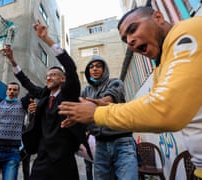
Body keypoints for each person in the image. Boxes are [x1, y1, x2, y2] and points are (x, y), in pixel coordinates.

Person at [58, 6, 202, 179]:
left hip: (121, 141)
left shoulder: (187, 32)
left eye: (133, 29)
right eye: (125, 39)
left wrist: (96, 112)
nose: (130, 40)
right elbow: (152, 110)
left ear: (158, 17)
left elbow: (164, 110)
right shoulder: (160, 67)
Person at [2, 20, 91, 180]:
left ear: (63, 79)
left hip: (64, 157)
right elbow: (26, 82)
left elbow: (70, 67)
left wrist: (46, 38)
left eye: (54, 75)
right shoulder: (43, 95)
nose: (49, 77)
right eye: (47, 75)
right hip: (42, 156)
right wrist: (12, 60)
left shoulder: (69, 93)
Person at [81, 56, 138, 179]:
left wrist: (95, 104)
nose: (94, 69)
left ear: (104, 69)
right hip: (100, 144)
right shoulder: (86, 91)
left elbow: (111, 96)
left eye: (98, 66)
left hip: (122, 142)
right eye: (91, 67)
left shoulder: (115, 82)